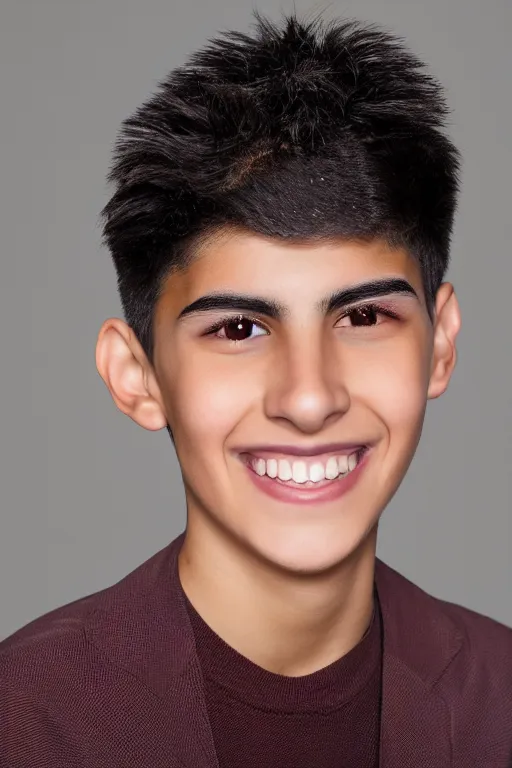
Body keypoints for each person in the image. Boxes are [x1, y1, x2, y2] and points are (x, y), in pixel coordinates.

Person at [1, 11, 511, 768]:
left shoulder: (499, 695)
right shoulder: (27, 719)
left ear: (439, 345)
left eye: (363, 316)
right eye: (239, 330)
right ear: (136, 377)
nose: (309, 399)